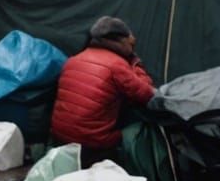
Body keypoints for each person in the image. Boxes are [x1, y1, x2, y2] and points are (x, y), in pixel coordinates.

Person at [50, 16, 157, 164]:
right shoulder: (117, 65)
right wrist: (135, 64)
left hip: (60, 137)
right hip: (91, 142)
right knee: (139, 127)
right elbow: (147, 95)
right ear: (121, 40)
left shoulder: (73, 60)